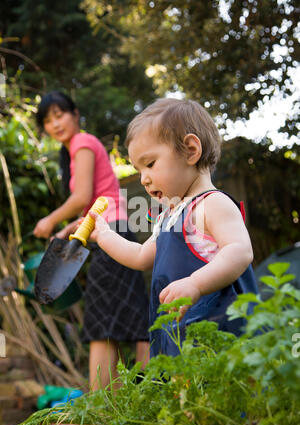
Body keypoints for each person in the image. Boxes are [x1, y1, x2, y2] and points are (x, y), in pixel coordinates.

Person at [88, 97, 258, 358]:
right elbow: (140, 256)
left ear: (191, 150)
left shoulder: (213, 204)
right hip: (181, 338)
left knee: (224, 390)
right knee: (187, 393)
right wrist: (105, 235)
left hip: (222, 331)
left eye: (150, 164)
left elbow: (240, 251)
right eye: (138, 169)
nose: (144, 179)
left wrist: (196, 284)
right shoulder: (169, 216)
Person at [33, 91, 150, 389]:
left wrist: (50, 221)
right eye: (48, 120)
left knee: (101, 320)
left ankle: (100, 405)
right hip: (114, 230)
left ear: (74, 114)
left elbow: (83, 197)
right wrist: (66, 231)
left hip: (110, 234)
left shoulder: (82, 143)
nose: (55, 124)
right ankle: (136, 398)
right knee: (128, 315)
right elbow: (97, 203)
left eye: (59, 115)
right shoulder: (77, 149)